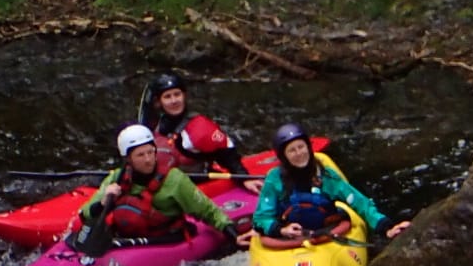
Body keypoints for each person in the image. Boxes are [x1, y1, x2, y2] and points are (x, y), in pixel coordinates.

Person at [72, 124, 250, 252]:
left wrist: (232, 234)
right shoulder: (117, 178)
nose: (148, 159)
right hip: (128, 238)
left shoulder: (175, 180)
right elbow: (84, 213)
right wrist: (104, 202)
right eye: (140, 155)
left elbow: (208, 211)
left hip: (164, 241)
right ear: (128, 159)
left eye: (151, 152)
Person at [251, 122, 410, 243]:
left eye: (301, 147)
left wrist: (386, 227)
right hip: (288, 238)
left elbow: (360, 203)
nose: (299, 153)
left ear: (308, 147)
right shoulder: (275, 179)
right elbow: (261, 218)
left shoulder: (326, 176)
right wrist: (281, 230)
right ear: (283, 156)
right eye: (292, 150)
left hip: (325, 233)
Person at [137, 71, 246, 177]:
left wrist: (244, 177)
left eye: (177, 94)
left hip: (197, 185)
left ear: (184, 96)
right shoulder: (157, 124)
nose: (174, 100)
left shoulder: (200, 127)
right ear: (159, 102)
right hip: (162, 183)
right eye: (167, 97)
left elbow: (227, 154)